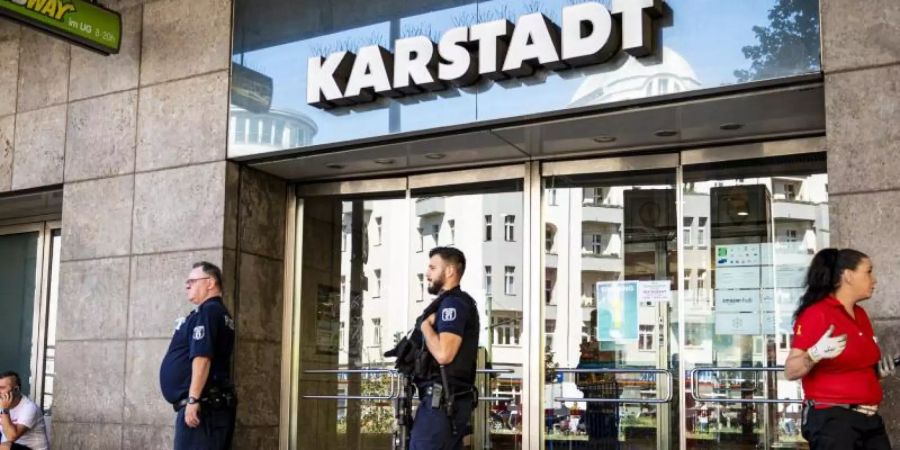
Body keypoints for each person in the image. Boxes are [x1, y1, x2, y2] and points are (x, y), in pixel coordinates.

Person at [784, 248, 895, 450]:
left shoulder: (860, 315)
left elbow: (852, 368)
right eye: (868, 272)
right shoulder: (817, 314)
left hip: (869, 419)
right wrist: (814, 353)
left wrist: (878, 372)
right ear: (848, 276)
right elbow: (790, 371)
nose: (874, 279)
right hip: (835, 421)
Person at [159, 262, 236, 450]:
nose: (187, 285)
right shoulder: (215, 312)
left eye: (192, 281)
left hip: (203, 408)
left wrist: (193, 399)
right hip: (207, 406)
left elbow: (202, 357)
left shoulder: (208, 312)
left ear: (210, 283)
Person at [411, 247, 480, 450]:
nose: (427, 273)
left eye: (433, 267)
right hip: (445, 402)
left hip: (441, 403)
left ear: (449, 271)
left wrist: (425, 327)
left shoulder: (453, 305)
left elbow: (443, 354)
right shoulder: (450, 303)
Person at [0, 372, 48, 450]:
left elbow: (11, 437)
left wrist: (4, 410)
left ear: (16, 390)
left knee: (4, 447)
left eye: (2, 388)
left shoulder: (29, 408)